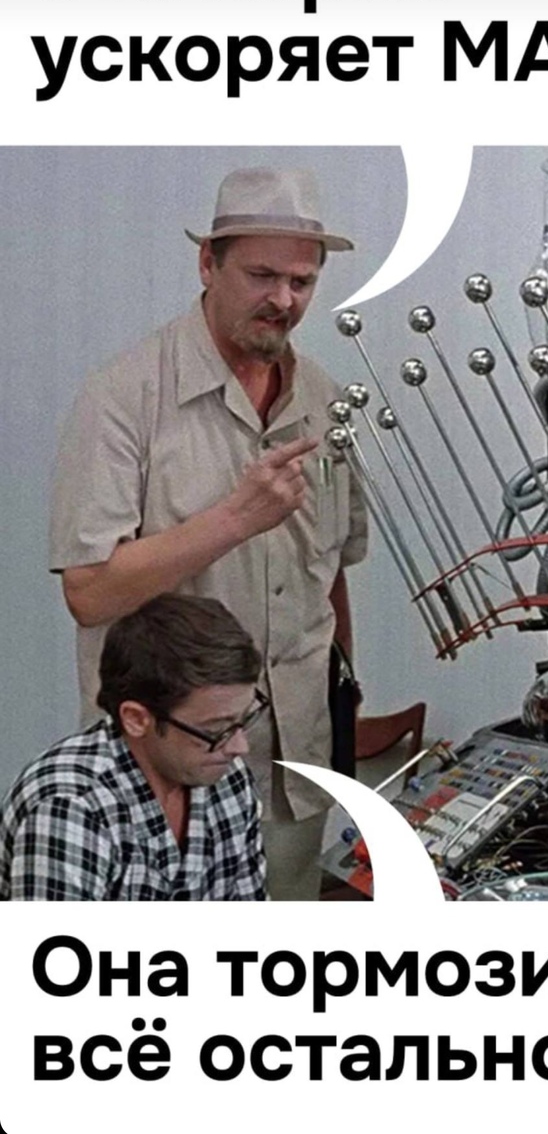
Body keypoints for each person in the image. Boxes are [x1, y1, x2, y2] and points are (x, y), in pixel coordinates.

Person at [49, 166, 368, 900]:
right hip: (162, 772)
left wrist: (348, 697)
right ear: (207, 263)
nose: (283, 299)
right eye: (261, 275)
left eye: (302, 281)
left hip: (293, 766)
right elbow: (90, 593)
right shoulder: (124, 397)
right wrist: (234, 520)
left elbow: (331, 572)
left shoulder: (325, 401)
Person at [0, 594, 266, 900]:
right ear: (136, 719)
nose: (239, 746)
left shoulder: (228, 777)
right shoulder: (70, 808)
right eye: (214, 729)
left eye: (244, 719)